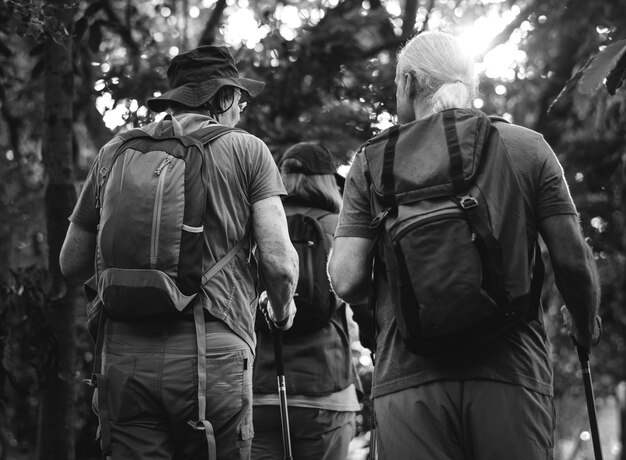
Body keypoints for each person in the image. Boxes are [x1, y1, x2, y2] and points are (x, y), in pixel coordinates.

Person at [327, 31, 601, 460]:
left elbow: (345, 280)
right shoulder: (527, 148)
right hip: (510, 373)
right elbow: (573, 260)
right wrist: (584, 324)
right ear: (470, 86)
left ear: (408, 83)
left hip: (409, 379)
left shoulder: (372, 160)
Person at [60, 45, 298, 460]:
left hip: (123, 351)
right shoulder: (247, 150)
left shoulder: (114, 152)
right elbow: (278, 263)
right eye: (238, 98)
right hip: (212, 349)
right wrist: (281, 310)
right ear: (223, 98)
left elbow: (71, 263)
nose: (240, 108)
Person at [251, 142, 361, 460]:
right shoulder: (341, 227)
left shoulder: (255, 226)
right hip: (327, 387)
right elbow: (364, 305)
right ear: (328, 181)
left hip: (260, 386)